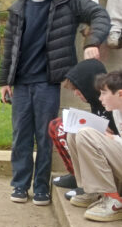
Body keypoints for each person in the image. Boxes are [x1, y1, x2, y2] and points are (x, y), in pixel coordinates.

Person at [0, 0, 110, 206]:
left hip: (48, 82)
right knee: (20, 136)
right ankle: (19, 185)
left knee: (45, 135)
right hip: (21, 83)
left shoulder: (67, 3)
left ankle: (41, 188)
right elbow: (10, 47)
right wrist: (4, 80)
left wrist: (93, 41)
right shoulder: (19, 8)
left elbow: (100, 14)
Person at [48, 59, 118, 192]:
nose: (76, 93)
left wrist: (111, 134)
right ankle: (78, 176)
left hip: (113, 151)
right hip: (105, 145)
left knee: (83, 134)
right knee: (58, 126)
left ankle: (96, 188)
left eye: (78, 89)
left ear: (88, 85)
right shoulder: (95, 101)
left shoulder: (113, 102)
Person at [68, 70, 122, 222]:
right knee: (75, 132)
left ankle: (114, 202)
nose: (100, 98)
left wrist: (113, 139)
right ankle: (94, 192)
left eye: (104, 93)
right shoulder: (118, 111)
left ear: (120, 94)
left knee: (86, 134)